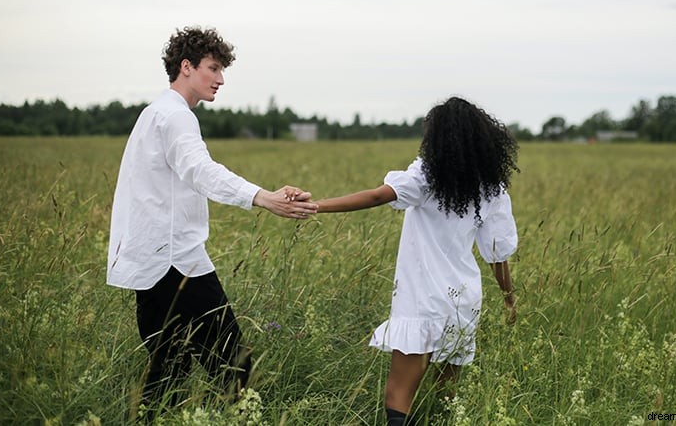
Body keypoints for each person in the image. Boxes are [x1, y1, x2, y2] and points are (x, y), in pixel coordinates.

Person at [107, 26, 318, 420]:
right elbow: (200, 170)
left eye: (222, 71)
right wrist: (263, 197)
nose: (220, 79)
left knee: (168, 375)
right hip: (175, 263)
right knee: (234, 367)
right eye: (213, 68)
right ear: (186, 67)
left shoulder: (154, 113)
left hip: (148, 262)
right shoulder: (175, 117)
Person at [315, 97, 519, 425]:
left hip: (423, 298)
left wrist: (317, 206)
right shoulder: (490, 189)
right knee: (444, 394)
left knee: (400, 392)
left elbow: (378, 195)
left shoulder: (426, 177)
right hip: (464, 301)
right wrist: (509, 299)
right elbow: (498, 253)